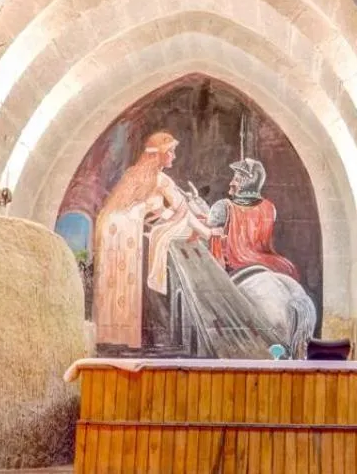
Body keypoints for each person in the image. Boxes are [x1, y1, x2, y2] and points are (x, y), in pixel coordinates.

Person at [92, 131, 190, 349]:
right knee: (128, 280)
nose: (173, 156)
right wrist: (173, 224)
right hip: (128, 230)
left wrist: (162, 219)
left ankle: (111, 335)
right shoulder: (161, 179)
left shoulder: (132, 174)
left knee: (112, 281)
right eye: (171, 152)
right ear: (160, 155)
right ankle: (128, 338)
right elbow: (182, 208)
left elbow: (153, 208)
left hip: (111, 226)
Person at [206, 157, 299, 280]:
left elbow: (212, 233)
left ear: (246, 183)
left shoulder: (223, 206)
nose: (231, 183)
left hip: (234, 263)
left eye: (236, 179)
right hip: (268, 261)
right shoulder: (270, 208)